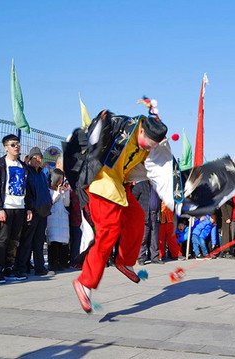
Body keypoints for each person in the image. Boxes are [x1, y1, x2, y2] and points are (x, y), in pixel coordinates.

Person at [69, 110, 168, 313]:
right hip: (100, 181)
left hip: (120, 185)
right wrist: (100, 121)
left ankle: (125, 261)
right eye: (145, 143)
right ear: (141, 130)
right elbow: (99, 128)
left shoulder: (151, 148)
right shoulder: (121, 125)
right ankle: (85, 282)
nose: (146, 148)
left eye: (151, 146)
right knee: (109, 231)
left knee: (137, 216)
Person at [0, 134, 32, 284]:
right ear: (5, 147)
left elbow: (26, 188)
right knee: (2, 240)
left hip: (20, 208)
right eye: (13, 144)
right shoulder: (0, 164)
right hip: (5, 208)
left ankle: (9, 268)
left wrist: (28, 208)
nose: (17, 147)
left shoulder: (23, 166)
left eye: (18, 144)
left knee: (14, 240)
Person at [15, 147, 52, 276]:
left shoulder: (42, 174)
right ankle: (20, 267)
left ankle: (39, 267)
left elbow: (46, 192)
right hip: (32, 212)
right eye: (35, 157)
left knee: (39, 241)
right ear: (29, 159)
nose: (38, 160)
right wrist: (29, 208)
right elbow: (27, 193)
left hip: (43, 212)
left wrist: (49, 204)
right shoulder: (26, 173)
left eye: (40, 158)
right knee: (26, 241)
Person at [47, 168, 71, 271]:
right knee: (54, 242)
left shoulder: (61, 190)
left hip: (62, 219)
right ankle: (53, 263)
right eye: (60, 179)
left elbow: (66, 203)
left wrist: (65, 192)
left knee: (62, 242)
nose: (61, 181)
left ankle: (62, 262)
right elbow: (51, 201)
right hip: (53, 219)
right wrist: (57, 192)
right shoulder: (49, 190)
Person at [134, 180, 162, 265]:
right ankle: (141, 258)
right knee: (143, 238)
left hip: (155, 215)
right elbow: (133, 199)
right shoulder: (140, 185)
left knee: (154, 238)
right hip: (144, 215)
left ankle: (154, 257)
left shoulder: (158, 186)